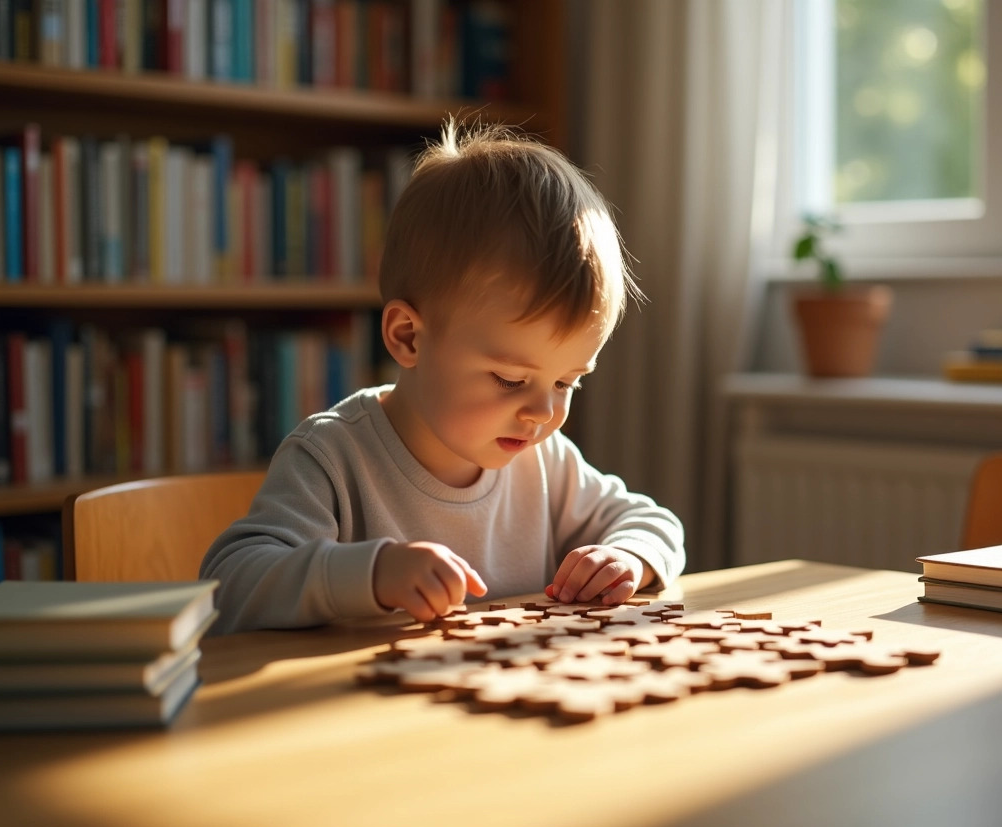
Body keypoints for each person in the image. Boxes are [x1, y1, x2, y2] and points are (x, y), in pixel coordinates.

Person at [200, 121, 686, 634]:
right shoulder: (332, 456)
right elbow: (230, 582)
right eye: (508, 379)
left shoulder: (545, 460)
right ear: (408, 337)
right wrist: (368, 574)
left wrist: (627, 558)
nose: (544, 413)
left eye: (566, 382)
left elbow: (655, 523)